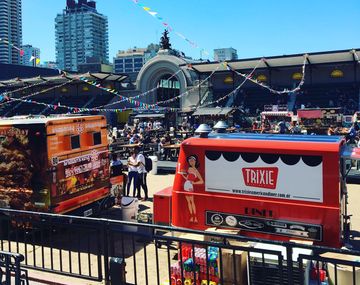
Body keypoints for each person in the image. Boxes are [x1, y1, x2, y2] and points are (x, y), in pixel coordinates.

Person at [179, 155, 204, 223]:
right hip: (186, 186)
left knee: (192, 202)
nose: (191, 162)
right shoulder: (189, 169)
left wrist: (194, 183)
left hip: (190, 186)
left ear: (195, 161)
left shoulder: (196, 171)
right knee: (188, 202)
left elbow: (201, 181)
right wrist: (182, 175)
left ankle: (195, 217)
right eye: (190, 161)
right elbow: (187, 179)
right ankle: (191, 217)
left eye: (192, 161)